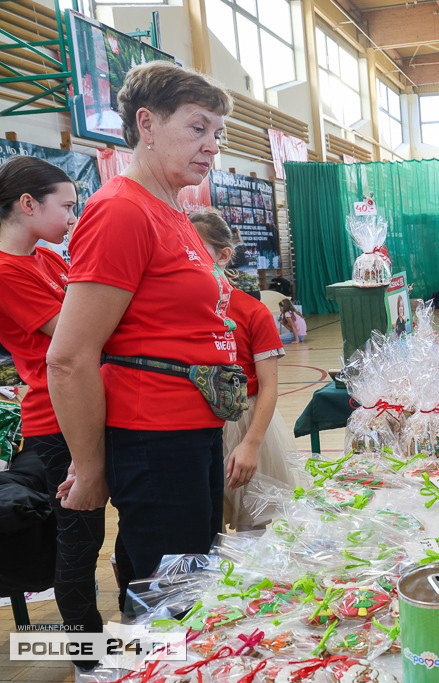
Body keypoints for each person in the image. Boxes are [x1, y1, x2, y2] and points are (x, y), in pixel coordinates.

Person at [46, 61, 235, 613]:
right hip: (156, 439)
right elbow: (70, 356)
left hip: (192, 430)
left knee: (191, 591)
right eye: (198, 128)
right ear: (147, 124)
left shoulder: (175, 210)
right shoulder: (122, 211)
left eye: (217, 134)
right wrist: (90, 465)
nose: (211, 146)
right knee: (169, 609)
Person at [0, 156, 105, 673]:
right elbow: (79, 326)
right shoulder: (5, 271)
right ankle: (88, 654)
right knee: (79, 537)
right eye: (66, 207)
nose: (72, 216)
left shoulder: (46, 258)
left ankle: (129, 634)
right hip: (56, 417)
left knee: (101, 530)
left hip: (93, 403)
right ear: (27, 204)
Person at [190, 209, 294, 531]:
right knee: (204, 527)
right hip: (192, 423)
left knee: (253, 526)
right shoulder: (181, 309)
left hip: (244, 424)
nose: (187, 257)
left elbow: (269, 386)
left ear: (223, 255)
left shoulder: (252, 312)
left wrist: (251, 443)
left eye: (196, 248)